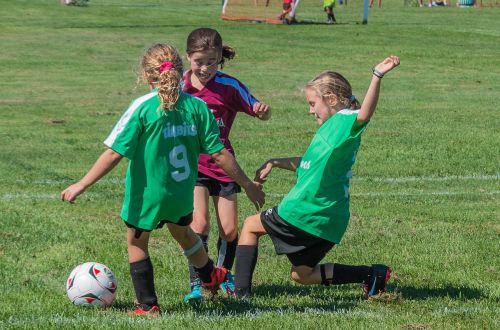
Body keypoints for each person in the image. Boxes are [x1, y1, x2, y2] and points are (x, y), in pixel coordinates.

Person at [60, 43, 265, 315]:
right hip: (181, 193)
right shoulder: (197, 106)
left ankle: (147, 305)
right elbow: (219, 153)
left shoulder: (143, 108)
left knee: (137, 242)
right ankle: (209, 276)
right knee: (184, 234)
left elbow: (113, 154)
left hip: (148, 194)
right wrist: (248, 185)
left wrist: (81, 184)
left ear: (146, 75)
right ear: (180, 73)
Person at [234, 56, 400, 300]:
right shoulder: (332, 130)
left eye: (313, 103)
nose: (310, 110)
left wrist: (377, 75)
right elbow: (309, 164)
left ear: (331, 99)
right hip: (330, 221)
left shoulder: (345, 120)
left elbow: (364, 114)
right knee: (302, 276)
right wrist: (275, 162)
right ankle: (371, 274)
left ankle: (240, 296)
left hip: (305, 211)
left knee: (250, 226)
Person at [182, 28, 271, 303]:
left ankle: (222, 274)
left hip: (223, 165)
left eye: (211, 61)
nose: (205, 68)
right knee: (199, 224)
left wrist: (263, 111)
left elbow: (258, 109)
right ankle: (198, 281)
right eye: (199, 62)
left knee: (230, 230)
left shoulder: (229, 86)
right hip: (192, 166)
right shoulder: (179, 87)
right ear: (188, 58)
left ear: (220, 57)